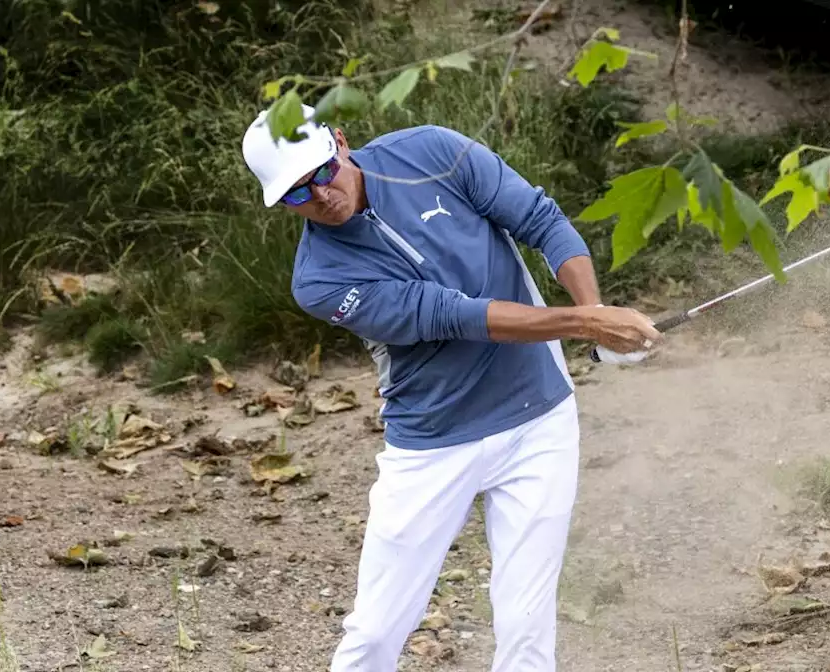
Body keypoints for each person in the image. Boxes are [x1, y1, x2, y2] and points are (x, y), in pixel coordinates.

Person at [240, 104, 661, 671]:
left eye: (321, 171)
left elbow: (540, 218)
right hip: (434, 443)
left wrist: (596, 310)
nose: (321, 194)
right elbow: (452, 316)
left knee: (526, 622)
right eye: (296, 194)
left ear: (340, 141)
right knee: (376, 630)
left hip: (539, 417)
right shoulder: (319, 280)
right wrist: (586, 325)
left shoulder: (432, 151)